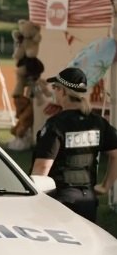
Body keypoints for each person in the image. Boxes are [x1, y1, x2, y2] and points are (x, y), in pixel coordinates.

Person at [31, 67, 117, 223]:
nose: (54, 92)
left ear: (63, 92)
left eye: (55, 88)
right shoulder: (97, 122)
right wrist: (105, 186)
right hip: (88, 200)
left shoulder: (56, 125)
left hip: (60, 200)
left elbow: (42, 168)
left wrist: (34, 199)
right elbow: (115, 155)